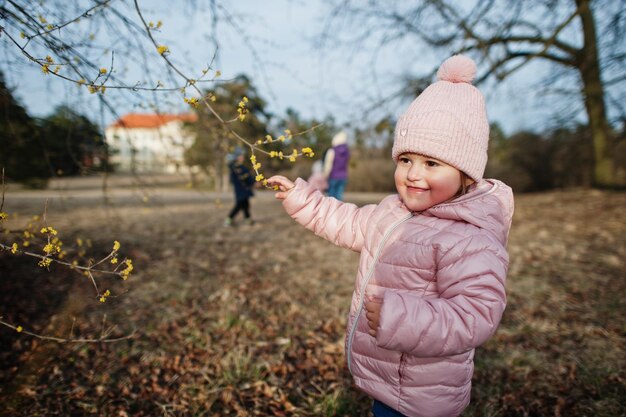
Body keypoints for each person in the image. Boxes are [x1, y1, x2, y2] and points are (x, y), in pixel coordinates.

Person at [268, 55, 514, 417]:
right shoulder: (392, 211)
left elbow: (475, 314)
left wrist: (397, 315)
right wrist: (301, 198)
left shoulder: (469, 237)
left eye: (431, 163)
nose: (413, 174)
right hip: (387, 376)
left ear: (465, 174)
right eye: (405, 160)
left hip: (424, 392)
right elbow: (346, 220)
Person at [224, 149, 255, 226]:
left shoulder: (241, 167)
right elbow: (238, 179)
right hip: (240, 191)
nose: (242, 157)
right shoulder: (235, 168)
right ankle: (228, 219)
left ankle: (248, 220)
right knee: (238, 206)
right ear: (236, 157)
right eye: (240, 156)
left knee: (246, 205)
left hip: (245, 190)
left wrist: (253, 181)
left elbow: (248, 177)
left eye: (242, 156)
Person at [323, 130, 350, 200]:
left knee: (331, 198)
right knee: (339, 197)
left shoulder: (332, 151)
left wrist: (325, 175)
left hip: (333, 176)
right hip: (343, 176)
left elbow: (328, 164)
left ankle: (331, 210)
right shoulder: (347, 152)